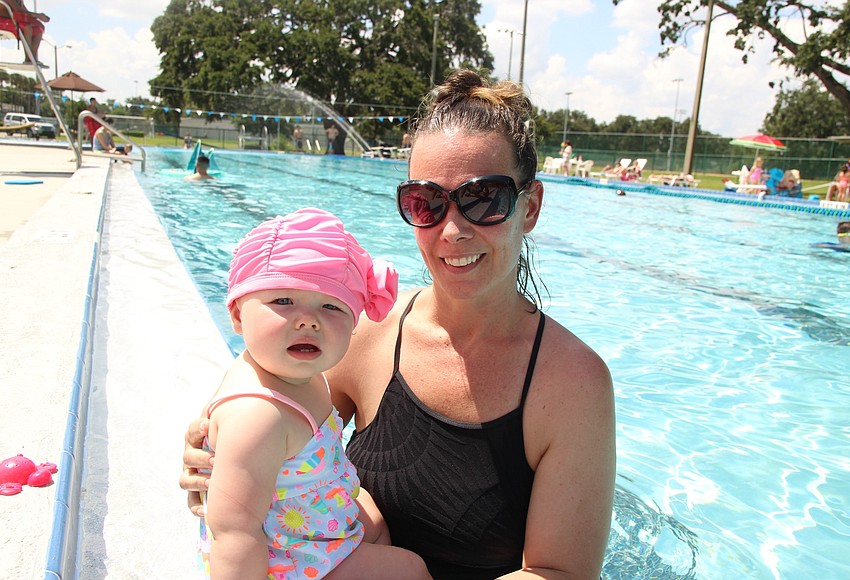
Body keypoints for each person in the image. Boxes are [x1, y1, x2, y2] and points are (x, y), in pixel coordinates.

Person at [182, 69, 616, 578]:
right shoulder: (367, 331)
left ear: (531, 206)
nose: (452, 230)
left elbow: (561, 572)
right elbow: (275, 414)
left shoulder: (572, 384)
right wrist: (218, 456)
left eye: (484, 199)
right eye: (426, 202)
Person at [196, 208, 429, 579]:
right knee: (409, 569)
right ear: (238, 316)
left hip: (309, 522)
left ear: (354, 324)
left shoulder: (302, 376)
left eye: (331, 305)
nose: (308, 319)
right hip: (285, 559)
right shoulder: (257, 415)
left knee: (375, 519)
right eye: (283, 301)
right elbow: (234, 533)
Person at [1, 0, 49, 67]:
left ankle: (32, 58)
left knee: (39, 28)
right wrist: (38, 15)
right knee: (27, 27)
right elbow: (18, 10)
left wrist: (39, 17)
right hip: (3, 21)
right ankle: (28, 58)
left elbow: (25, 12)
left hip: (12, 20)